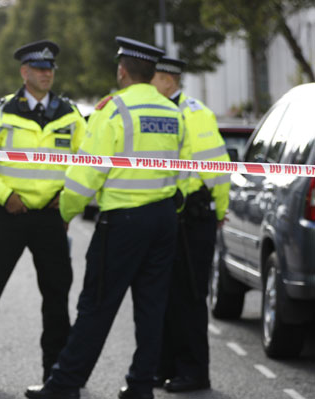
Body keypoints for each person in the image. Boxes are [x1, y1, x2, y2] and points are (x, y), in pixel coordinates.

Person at [26, 37, 191, 399]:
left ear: (122, 70)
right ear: (152, 73)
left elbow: (87, 173)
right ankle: (140, 385)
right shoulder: (172, 112)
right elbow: (185, 171)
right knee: (151, 308)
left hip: (123, 223)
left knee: (96, 306)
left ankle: (64, 384)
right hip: (163, 219)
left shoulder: (114, 111)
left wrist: (67, 209)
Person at [0, 39, 87, 387]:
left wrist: (66, 200)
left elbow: (88, 163)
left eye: (50, 69)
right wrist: (5, 195)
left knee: (57, 295)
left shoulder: (70, 115)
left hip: (51, 216)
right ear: (24, 72)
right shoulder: (1, 114)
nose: (47, 74)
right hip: (9, 214)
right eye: (40, 69)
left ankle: (55, 370)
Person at [150, 56, 230, 393]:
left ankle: (195, 371)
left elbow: (216, 169)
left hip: (192, 218)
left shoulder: (194, 113)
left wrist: (220, 211)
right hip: (165, 216)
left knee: (190, 296)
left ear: (169, 80)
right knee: (164, 295)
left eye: (152, 77)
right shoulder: (155, 109)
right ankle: (165, 366)